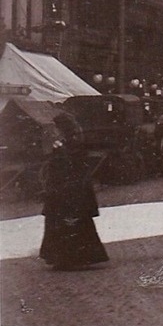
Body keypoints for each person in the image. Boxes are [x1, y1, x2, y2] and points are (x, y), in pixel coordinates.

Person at [40, 114, 109, 270]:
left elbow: (68, 168)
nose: (53, 131)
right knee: (68, 222)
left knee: (68, 221)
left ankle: (69, 258)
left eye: (55, 127)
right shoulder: (69, 144)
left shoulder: (70, 146)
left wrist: (59, 152)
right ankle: (68, 258)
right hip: (65, 189)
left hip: (69, 189)